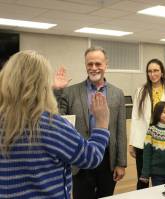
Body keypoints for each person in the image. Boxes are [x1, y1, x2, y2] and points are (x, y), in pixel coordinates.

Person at [0, 50, 110, 199]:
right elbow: (91, 157)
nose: (94, 67)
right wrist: (102, 123)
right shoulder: (51, 126)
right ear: (42, 83)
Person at [53, 47, 127, 198]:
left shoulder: (117, 93)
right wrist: (57, 91)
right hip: (80, 157)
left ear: (106, 65)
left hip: (107, 159)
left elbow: (120, 130)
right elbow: (56, 118)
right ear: (85, 65)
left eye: (98, 64)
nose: (94, 68)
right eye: (90, 64)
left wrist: (121, 163)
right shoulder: (70, 92)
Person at [129, 58, 165, 189]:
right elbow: (135, 117)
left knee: (162, 179)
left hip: (164, 142)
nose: (152, 74)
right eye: (149, 71)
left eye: (156, 70)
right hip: (143, 141)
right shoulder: (140, 91)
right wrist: (132, 143)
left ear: (162, 73)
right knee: (143, 179)